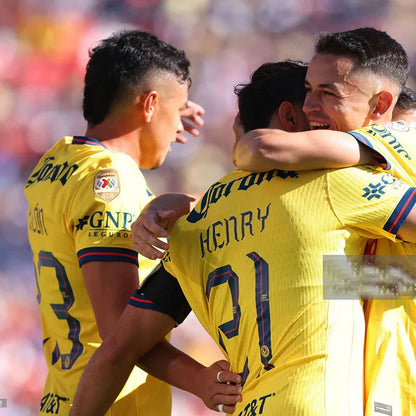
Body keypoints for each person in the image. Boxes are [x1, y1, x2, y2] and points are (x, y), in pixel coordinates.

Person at [70, 59, 416, 416]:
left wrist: (199, 380)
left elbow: (118, 350)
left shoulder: (193, 225)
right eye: (314, 115)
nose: (325, 127)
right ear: (289, 117)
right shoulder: (328, 184)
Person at [24, 29, 242, 416]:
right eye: (178, 112)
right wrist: (200, 382)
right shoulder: (111, 180)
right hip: (114, 405)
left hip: (61, 395)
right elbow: (118, 334)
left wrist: (164, 111)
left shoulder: (54, 163)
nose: (180, 128)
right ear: (149, 104)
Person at [232, 28, 416, 416]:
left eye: (328, 93)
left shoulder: (395, 138)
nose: (309, 106)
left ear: (381, 106)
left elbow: (260, 146)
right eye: (308, 89)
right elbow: (377, 279)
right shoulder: (349, 179)